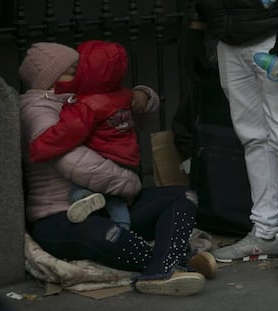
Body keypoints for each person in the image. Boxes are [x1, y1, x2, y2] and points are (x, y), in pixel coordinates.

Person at [18, 42, 217, 296]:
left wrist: (142, 97)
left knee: (183, 197)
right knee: (108, 235)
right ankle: (174, 264)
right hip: (61, 214)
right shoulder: (35, 109)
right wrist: (129, 183)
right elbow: (70, 160)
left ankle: (163, 267)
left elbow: (126, 127)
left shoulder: (85, 96)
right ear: (47, 79)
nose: (80, 74)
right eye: (72, 71)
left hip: (111, 203)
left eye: (81, 68)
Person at [184, 0, 278, 279]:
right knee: (253, 139)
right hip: (230, 41)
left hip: (275, 33)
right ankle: (265, 231)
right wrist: (196, 28)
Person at [28, 40, 139, 230]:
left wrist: (38, 149)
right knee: (116, 203)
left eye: (79, 70)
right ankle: (123, 227)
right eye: (72, 72)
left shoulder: (86, 105)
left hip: (107, 162)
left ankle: (88, 202)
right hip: (126, 159)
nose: (76, 75)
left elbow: (64, 134)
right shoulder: (120, 95)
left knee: (85, 194)